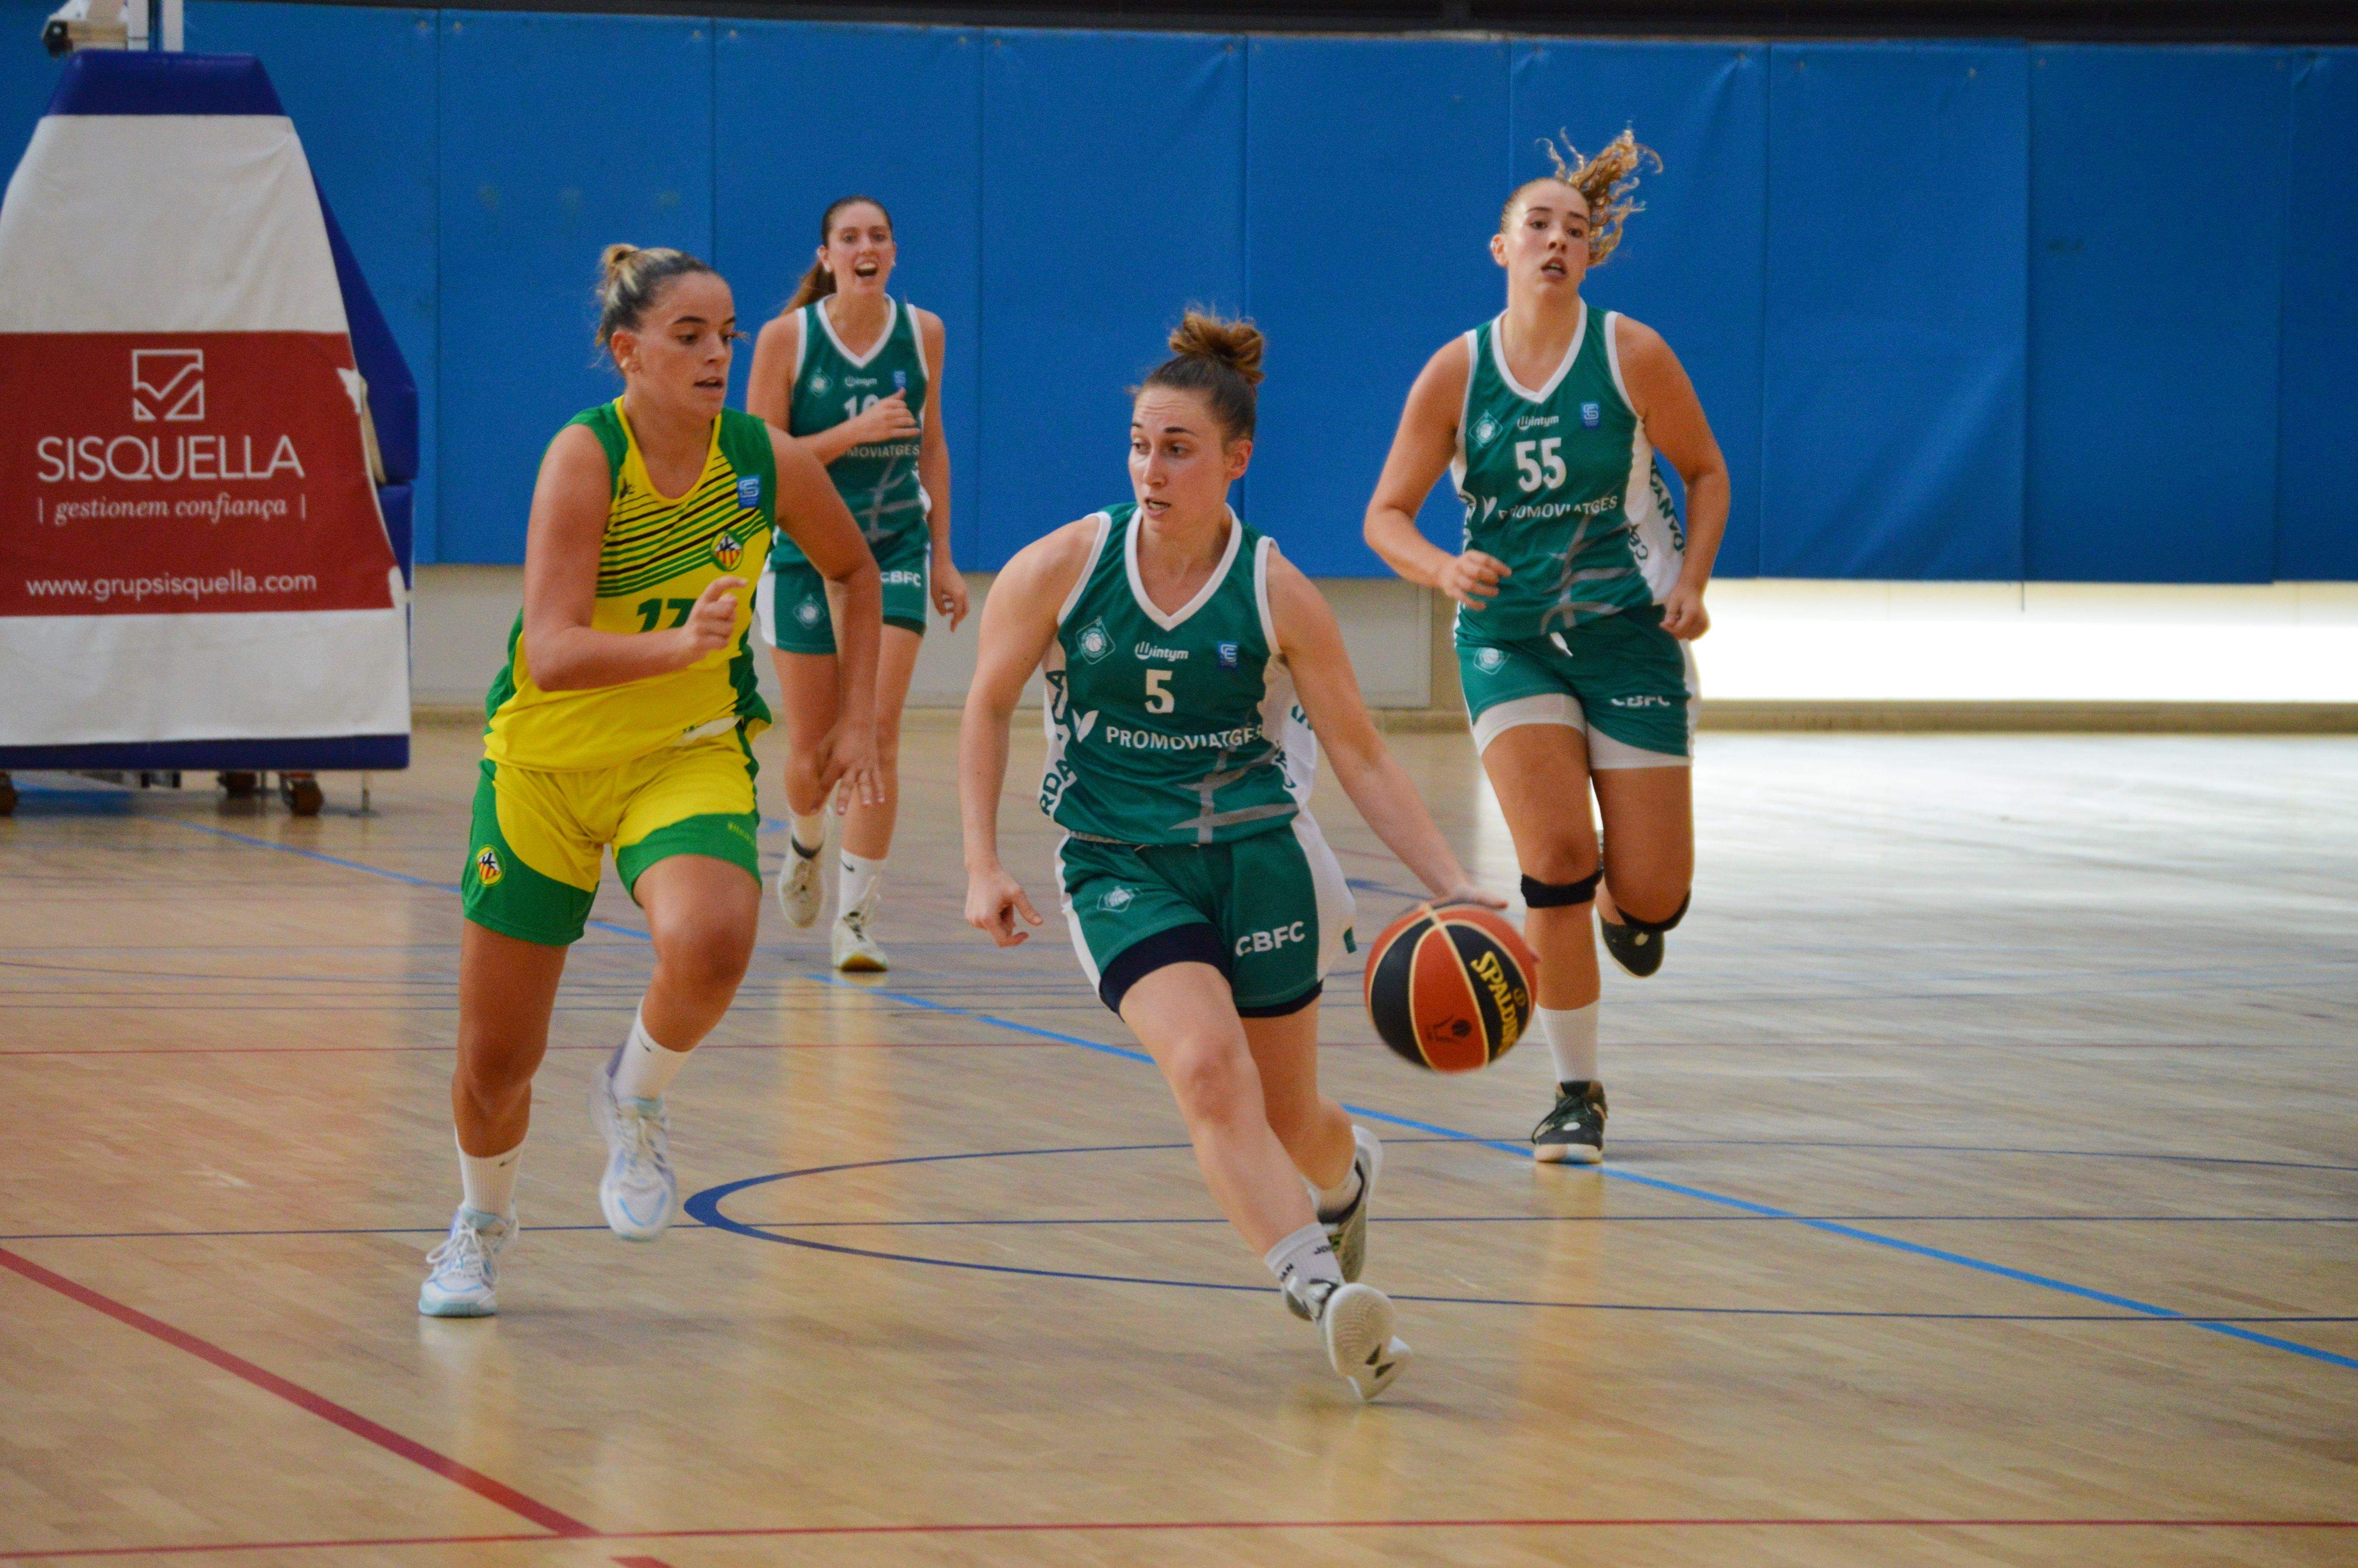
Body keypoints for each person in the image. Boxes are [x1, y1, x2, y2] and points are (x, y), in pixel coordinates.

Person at [960, 311, 1500, 1401]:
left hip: (1259, 855)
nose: (1150, 469)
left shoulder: (1277, 590)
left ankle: (1344, 1184)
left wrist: (1454, 886)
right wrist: (982, 861)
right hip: (1119, 862)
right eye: (1139, 445)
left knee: (1290, 1117)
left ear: (1234, 461)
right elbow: (983, 708)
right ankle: (1320, 1290)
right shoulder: (1062, 566)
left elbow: (1361, 755)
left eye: (1177, 448)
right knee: (1208, 1073)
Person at [420, 244, 884, 1317]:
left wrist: (855, 720)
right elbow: (549, 649)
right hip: (544, 765)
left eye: (725, 334)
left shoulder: (762, 459)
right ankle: (480, 1225)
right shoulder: (586, 457)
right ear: (629, 352)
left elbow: (855, 570)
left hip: (684, 752)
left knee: (717, 939)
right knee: (495, 1066)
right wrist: (679, 649)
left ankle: (635, 1099)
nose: (718, 353)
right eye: (690, 335)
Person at [1363, 132, 1729, 1166]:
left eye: (1575, 229)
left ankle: (1635, 904)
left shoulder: (1633, 354)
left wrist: (1692, 580)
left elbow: (1707, 475)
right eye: (1539, 225)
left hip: (1628, 636)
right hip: (1508, 640)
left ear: (1591, 256)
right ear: (1500, 248)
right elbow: (1384, 515)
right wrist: (1439, 567)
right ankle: (1576, 1094)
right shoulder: (1456, 370)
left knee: (1653, 890)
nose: (1557, 241)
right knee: (1555, 863)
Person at [748, 195, 966, 971]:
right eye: (850, 237)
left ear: (894, 253)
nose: (865, 247)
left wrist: (943, 556)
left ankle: (856, 922)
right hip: (807, 552)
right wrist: (853, 431)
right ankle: (805, 842)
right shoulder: (786, 340)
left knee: (876, 734)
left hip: (894, 546)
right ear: (826, 256)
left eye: (879, 235)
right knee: (813, 748)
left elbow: (932, 444)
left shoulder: (925, 332)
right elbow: (762, 454)